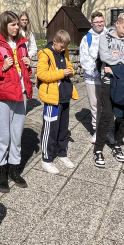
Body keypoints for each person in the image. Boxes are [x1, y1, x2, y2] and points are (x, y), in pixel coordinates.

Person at [0, 11, 33, 192]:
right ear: (4, 25)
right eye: (12, 24)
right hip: (3, 96)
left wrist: (28, 66)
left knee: (17, 134)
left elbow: (25, 72)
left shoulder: (22, 45)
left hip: (21, 94)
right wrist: (1, 68)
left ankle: (14, 169)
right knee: (3, 136)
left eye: (18, 24)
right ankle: (1, 171)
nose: (17, 27)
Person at [94, 12, 124, 168]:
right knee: (107, 115)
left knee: (121, 116)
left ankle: (117, 144)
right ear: (118, 23)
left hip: (123, 83)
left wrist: (115, 70)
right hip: (107, 83)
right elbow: (105, 56)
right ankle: (98, 149)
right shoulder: (105, 38)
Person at [37, 29, 79, 174]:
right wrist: (61, 73)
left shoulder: (64, 52)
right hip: (52, 98)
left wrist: (70, 72)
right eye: (61, 47)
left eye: (65, 47)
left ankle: (62, 154)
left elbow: (70, 68)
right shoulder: (45, 54)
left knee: (63, 128)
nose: (63, 49)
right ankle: (46, 159)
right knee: (50, 129)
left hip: (65, 96)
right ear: (55, 42)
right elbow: (41, 74)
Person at [79, 11, 112, 144]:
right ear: (92, 23)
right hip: (92, 78)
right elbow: (84, 58)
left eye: (101, 21)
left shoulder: (110, 35)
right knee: (95, 106)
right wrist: (96, 74)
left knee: (108, 106)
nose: (99, 24)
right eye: (96, 22)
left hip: (108, 77)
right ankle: (97, 130)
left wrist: (104, 73)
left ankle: (109, 131)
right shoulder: (87, 38)